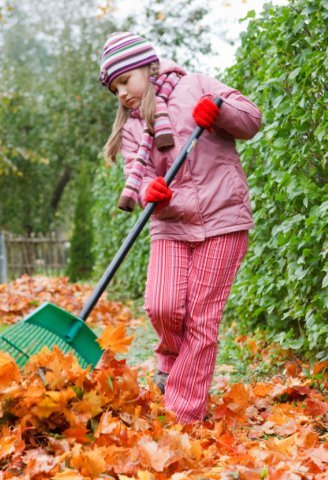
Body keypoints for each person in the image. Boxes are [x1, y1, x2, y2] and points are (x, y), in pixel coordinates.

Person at [99, 32, 262, 424]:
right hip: (171, 225)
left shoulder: (197, 85)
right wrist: (150, 192)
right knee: (163, 305)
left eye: (126, 81)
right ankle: (170, 359)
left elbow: (251, 118)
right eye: (114, 88)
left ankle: (182, 415)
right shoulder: (132, 128)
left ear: (149, 67)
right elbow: (136, 183)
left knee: (202, 320)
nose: (121, 93)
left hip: (223, 219)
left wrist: (219, 111)